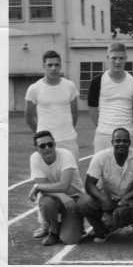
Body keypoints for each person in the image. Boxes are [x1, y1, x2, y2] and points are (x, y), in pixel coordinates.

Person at [25, 50, 80, 238]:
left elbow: (74, 114)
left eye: (57, 64)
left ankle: (72, 219)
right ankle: (45, 224)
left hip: (67, 140)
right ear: (44, 66)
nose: (54, 68)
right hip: (45, 143)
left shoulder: (70, 86)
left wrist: (65, 132)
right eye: (50, 65)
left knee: (71, 184)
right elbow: (28, 116)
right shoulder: (34, 89)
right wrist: (41, 137)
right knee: (45, 185)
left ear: (61, 65)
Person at [28, 130, 84, 246]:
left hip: (74, 198)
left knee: (70, 240)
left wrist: (39, 187)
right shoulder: (34, 158)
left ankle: (75, 223)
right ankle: (54, 230)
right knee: (46, 202)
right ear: (36, 148)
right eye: (42, 146)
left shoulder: (65, 154)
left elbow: (64, 185)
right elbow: (44, 187)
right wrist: (61, 195)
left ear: (54, 143)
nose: (47, 148)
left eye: (50, 144)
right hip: (57, 198)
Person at [88, 43, 133, 153]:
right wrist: (104, 126)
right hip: (104, 134)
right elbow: (92, 109)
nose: (118, 62)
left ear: (126, 58)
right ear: (107, 58)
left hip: (128, 134)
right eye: (114, 58)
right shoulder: (97, 81)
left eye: (121, 58)